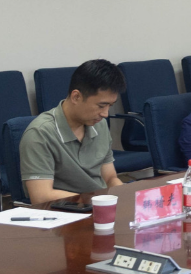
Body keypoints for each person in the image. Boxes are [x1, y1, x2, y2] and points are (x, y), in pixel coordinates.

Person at [20, 59, 125, 205]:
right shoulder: (40, 134)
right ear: (76, 97)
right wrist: (93, 200)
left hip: (98, 206)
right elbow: (41, 196)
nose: (105, 114)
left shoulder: (99, 124)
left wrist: (125, 194)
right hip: (65, 212)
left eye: (110, 106)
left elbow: (110, 178)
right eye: (101, 106)